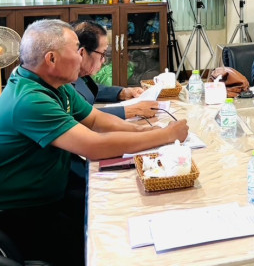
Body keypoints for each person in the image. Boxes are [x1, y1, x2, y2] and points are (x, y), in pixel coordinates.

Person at [0, 20, 189, 266]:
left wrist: (144, 130)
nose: (81, 56)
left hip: (54, 190)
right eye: (75, 49)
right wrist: (165, 136)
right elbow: (95, 146)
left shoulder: (53, 84)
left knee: (118, 212)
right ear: (51, 59)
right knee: (106, 244)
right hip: (24, 211)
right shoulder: (29, 100)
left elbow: (97, 120)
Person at [71, 21, 159, 119]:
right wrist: (134, 110)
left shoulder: (80, 75)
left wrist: (122, 92)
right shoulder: (63, 81)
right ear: (82, 53)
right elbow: (80, 115)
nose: (104, 61)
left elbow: (91, 89)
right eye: (102, 54)